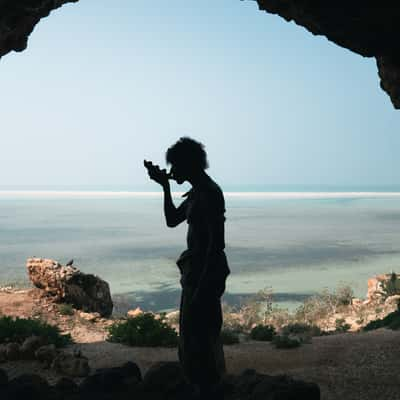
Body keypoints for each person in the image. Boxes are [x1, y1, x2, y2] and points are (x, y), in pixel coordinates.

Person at [144, 137, 230, 399]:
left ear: (187, 164)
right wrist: (165, 187)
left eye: (175, 166)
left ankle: (209, 390)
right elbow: (172, 220)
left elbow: (216, 247)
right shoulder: (197, 193)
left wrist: (202, 289)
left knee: (201, 342)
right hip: (195, 275)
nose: (172, 171)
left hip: (203, 277)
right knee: (192, 341)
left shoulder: (210, 193)